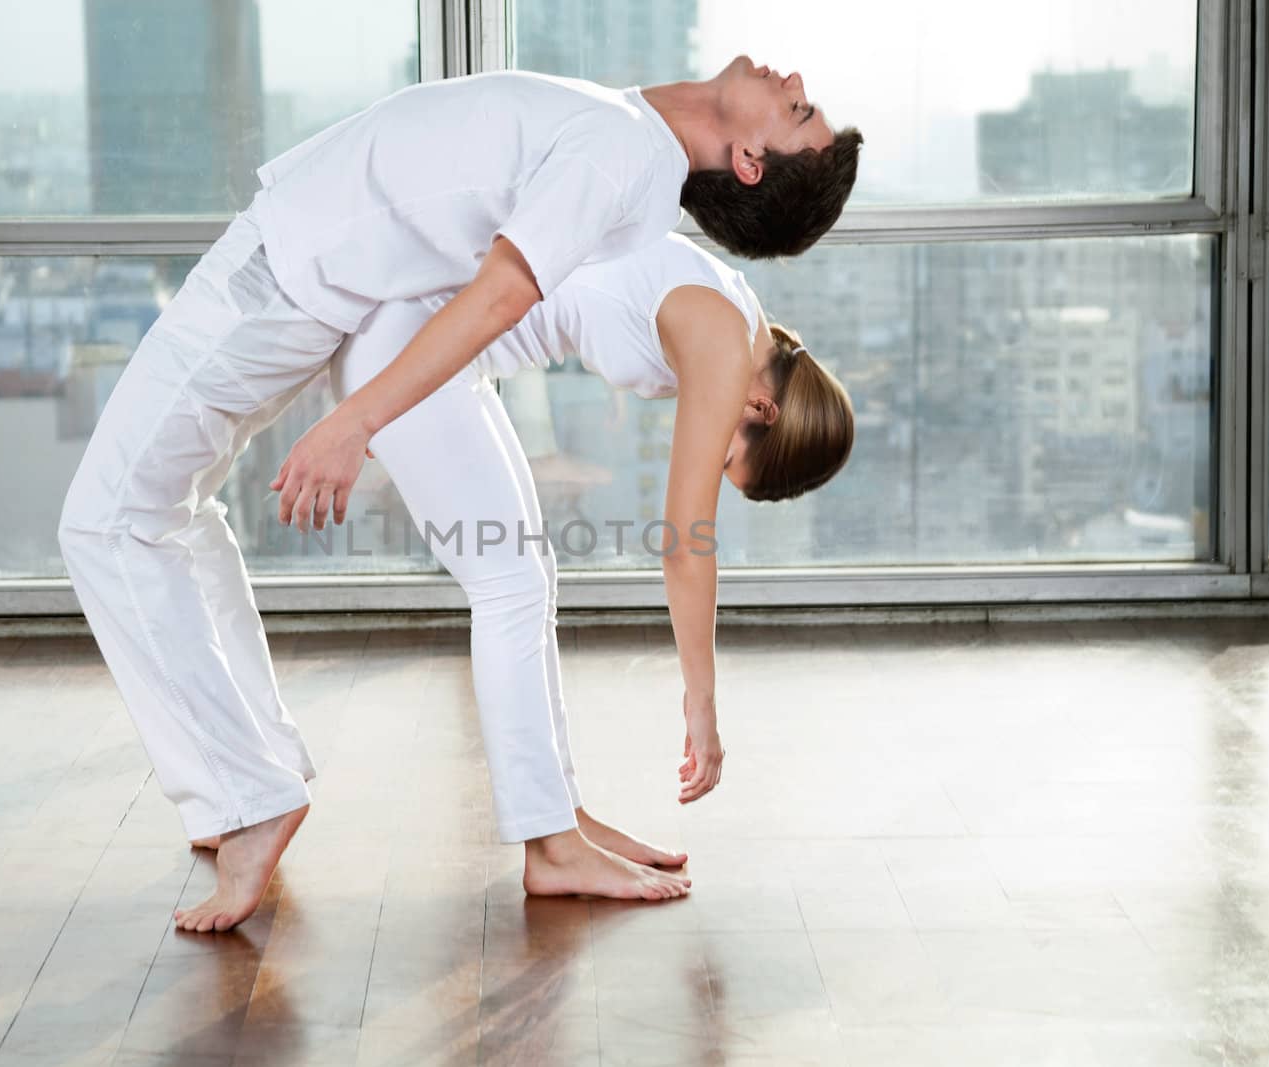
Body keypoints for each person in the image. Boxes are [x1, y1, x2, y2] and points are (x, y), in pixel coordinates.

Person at [58, 58, 862, 933]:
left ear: (761, 406)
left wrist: (356, 421)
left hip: (325, 282)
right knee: (157, 516)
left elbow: (513, 289)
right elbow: (679, 527)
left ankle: (314, 797)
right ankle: (271, 788)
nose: (795, 82)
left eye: (802, 110)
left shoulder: (648, 186)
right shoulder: (655, 191)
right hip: (336, 283)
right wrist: (701, 707)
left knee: (127, 521)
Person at [296, 232, 853, 917]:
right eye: (729, 458)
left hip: (438, 346)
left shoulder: (738, 318)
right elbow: (685, 543)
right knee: (509, 586)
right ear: (763, 410)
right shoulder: (723, 342)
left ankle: (563, 820)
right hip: (408, 346)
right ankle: (551, 847)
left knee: (530, 581)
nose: (711, 456)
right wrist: (701, 701)